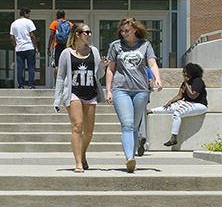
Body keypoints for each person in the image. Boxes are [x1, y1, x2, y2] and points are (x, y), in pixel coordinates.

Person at [105, 17, 162, 173]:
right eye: (122, 31)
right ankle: (130, 158)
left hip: (141, 89)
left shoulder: (145, 45)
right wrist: (108, 90)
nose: (124, 34)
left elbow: (152, 63)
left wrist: (157, 78)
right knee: (128, 124)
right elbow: (110, 69)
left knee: (135, 126)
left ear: (135, 29)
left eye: (127, 31)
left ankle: (133, 152)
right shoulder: (115, 46)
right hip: (120, 88)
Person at [53, 23, 103, 173]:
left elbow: (98, 75)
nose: (89, 35)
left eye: (89, 32)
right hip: (73, 92)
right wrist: (57, 99)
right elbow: (61, 77)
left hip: (90, 93)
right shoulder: (66, 53)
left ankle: (82, 153)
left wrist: (102, 65)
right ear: (77, 34)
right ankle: (78, 163)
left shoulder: (94, 51)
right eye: (86, 32)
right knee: (77, 126)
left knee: (88, 131)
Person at [146, 63, 208, 149]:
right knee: (170, 107)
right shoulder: (185, 83)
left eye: (186, 72)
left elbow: (193, 95)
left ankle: (173, 138)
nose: (184, 74)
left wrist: (186, 84)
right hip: (187, 102)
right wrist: (171, 101)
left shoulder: (198, 81)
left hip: (199, 105)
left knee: (177, 113)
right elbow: (180, 95)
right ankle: (151, 110)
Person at [9, 7, 37, 89]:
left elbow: (11, 38)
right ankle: (30, 85)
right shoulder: (29, 22)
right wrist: (35, 47)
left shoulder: (14, 23)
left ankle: (21, 85)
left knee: (20, 68)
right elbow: (32, 36)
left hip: (19, 49)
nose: (29, 16)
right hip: (29, 47)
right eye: (28, 14)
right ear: (25, 13)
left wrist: (16, 45)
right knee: (31, 67)